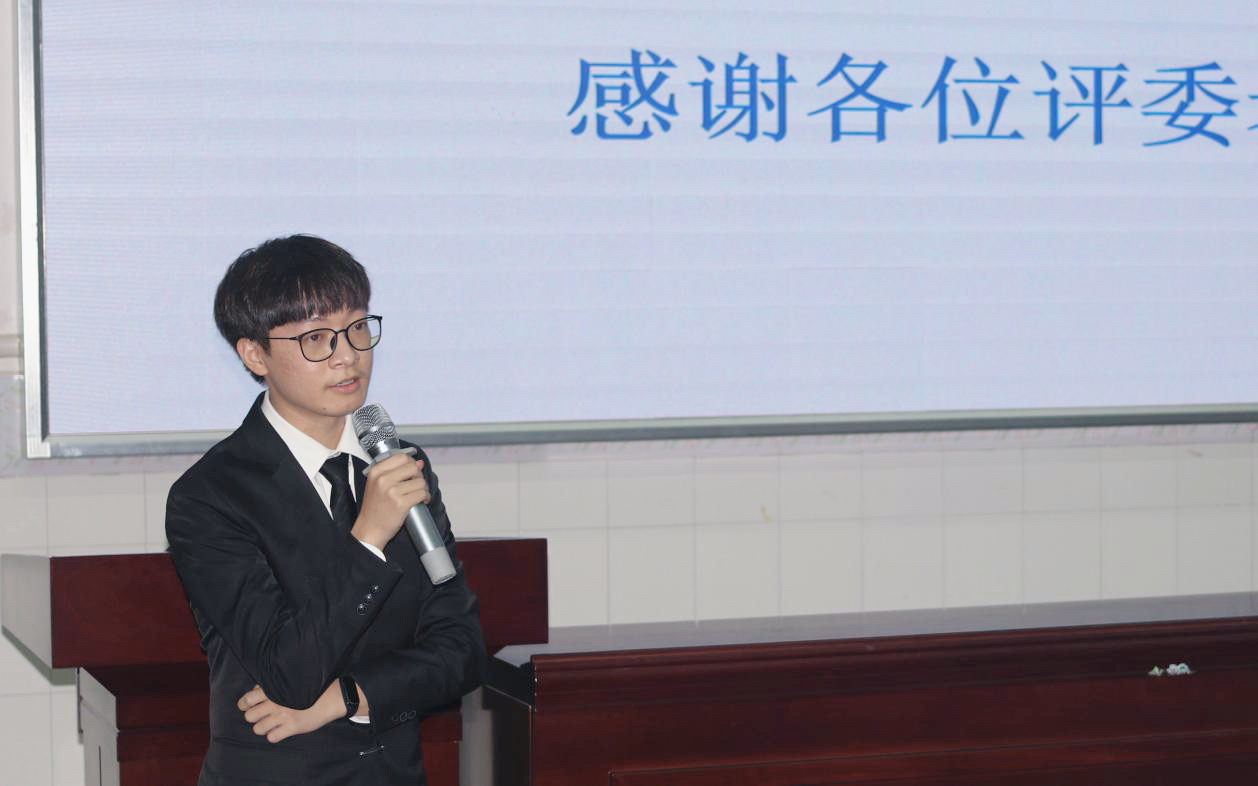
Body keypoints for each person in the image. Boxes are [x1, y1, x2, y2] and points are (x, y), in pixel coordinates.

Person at [166, 234, 484, 785]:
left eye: (357, 327)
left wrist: (348, 697)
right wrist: (368, 538)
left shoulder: (400, 467)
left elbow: (461, 650)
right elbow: (288, 672)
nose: (347, 356)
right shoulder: (210, 496)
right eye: (316, 338)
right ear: (254, 354)